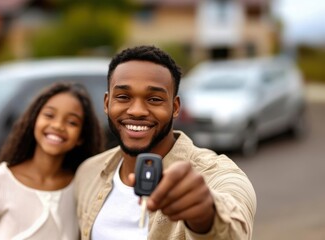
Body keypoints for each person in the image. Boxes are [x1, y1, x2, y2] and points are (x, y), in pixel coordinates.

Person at [74, 45, 257, 239]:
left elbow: (235, 222)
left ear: (175, 107)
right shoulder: (88, 173)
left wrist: (206, 214)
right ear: (106, 103)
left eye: (154, 99)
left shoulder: (214, 174)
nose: (137, 111)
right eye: (123, 97)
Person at [0, 82, 104, 240]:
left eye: (72, 122)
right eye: (49, 115)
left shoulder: (81, 187)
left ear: (81, 137)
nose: (58, 125)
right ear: (34, 119)